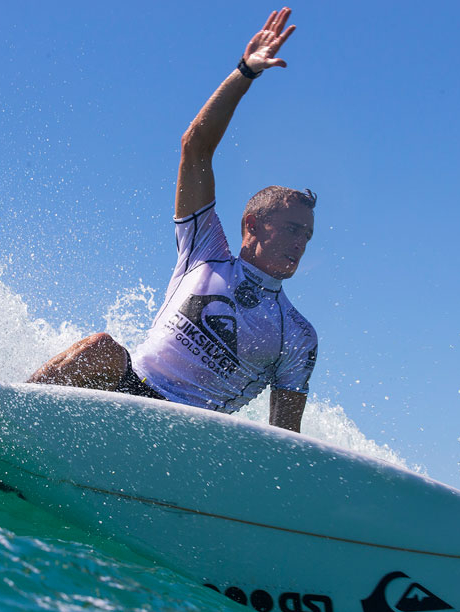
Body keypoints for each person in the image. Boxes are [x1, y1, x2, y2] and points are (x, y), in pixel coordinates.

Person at [29, 7, 318, 433]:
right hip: (130, 393)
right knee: (101, 348)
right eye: (293, 229)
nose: (301, 244)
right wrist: (245, 73)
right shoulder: (204, 253)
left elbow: (283, 439)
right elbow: (195, 146)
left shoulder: (297, 334)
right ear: (253, 225)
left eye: (307, 236)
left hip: (188, 437)